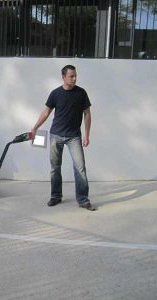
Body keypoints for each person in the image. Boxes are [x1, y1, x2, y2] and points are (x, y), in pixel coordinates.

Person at [31, 65, 96, 211]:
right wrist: (35, 127)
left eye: (75, 76)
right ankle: (55, 196)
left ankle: (83, 199)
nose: (74, 78)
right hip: (56, 136)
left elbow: (87, 114)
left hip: (74, 137)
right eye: (71, 76)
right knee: (55, 168)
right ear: (63, 77)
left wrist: (87, 134)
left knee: (80, 168)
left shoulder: (81, 93)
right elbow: (46, 112)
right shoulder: (55, 94)